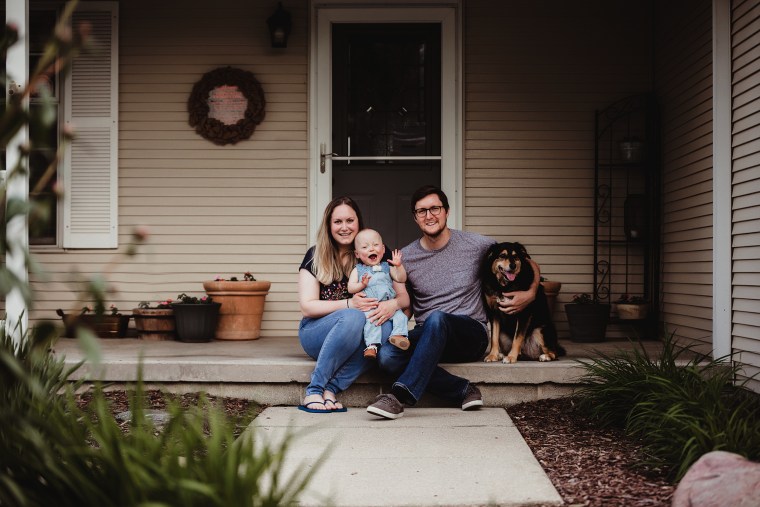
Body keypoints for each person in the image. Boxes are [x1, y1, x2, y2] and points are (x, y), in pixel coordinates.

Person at [367, 185, 541, 419]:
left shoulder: (476, 245)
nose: (429, 216)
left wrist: (530, 292)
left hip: (469, 334)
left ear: (446, 211)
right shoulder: (406, 257)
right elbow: (405, 303)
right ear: (415, 217)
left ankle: (399, 395)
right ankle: (463, 389)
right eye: (422, 211)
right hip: (429, 334)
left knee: (438, 318)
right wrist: (389, 308)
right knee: (387, 355)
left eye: (435, 208)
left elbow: (526, 262)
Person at [298, 196, 409, 413]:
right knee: (354, 316)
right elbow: (307, 307)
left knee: (384, 328)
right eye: (337, 222)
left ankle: (331, 389)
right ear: (329, 226)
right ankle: (314, 390)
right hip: (316, 333)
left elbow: (405, 299)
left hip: (360, 334)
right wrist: (349, 303)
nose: (344, 227)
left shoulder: (376, 253)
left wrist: (392, 305)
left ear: (359, 222)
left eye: (350, 220)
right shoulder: (315, 255)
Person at [348, 228, 410, 360]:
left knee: (401, 317)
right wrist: (362, 285)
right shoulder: (358, 270)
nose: (371, 249)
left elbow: (401, 278)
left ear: (382, 250)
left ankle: (398, 335)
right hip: (371, 306)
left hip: (388, 305)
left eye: (375, 245)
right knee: (372, 322)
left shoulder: (387, 267)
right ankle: (371, 346)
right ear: (357, 254)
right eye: (365, 247)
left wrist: (399, 266)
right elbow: (351, 288)